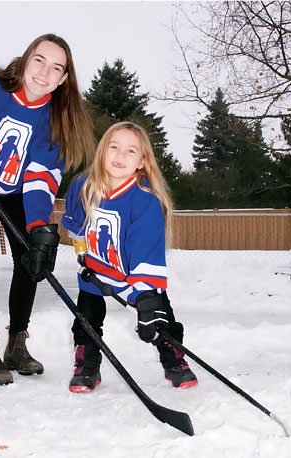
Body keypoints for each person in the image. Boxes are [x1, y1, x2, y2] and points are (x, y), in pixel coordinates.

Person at [0, 33, 94, 385]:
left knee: (28, 255)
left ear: (64, 79)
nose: (44, 72)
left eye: (56, 68)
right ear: (26, 59)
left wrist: (40, 227)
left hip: (12, 185)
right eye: (39, 60)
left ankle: (17, 343)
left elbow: (39, 179)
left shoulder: (55, 123)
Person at [62, 121, 198, 392]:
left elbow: (145, 250)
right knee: (86, 318)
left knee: (160, 317)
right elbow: (77, 228)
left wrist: (146, 297)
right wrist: (82, 257)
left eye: (131, 150)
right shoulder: (82, 186)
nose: (120, 155)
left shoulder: (144, 200)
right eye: (114, 147)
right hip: (95, 270)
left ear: (142, 162)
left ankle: (174, 359)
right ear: (102, 151)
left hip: (135, 274)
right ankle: (87, 364)